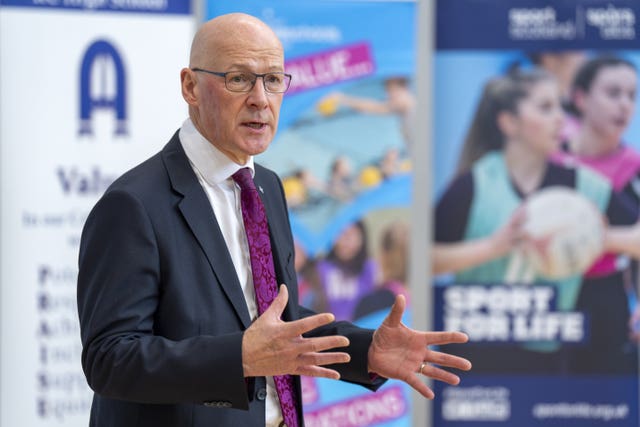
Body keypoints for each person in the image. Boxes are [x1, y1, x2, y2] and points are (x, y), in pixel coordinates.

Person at [76, 13, 471, 427]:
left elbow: (274, 320)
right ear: (190, 87)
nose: (261, 99)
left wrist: (365, 350)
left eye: (274, 80)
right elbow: (109, 359)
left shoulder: (265, 185)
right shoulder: (133, 204)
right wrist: (240, 358)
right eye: (239, 79)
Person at [433, 67, 640, 373]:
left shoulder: (583, 184)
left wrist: (599, 237)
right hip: (472, 356)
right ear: (509, 122)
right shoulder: (475, 183)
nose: (560, 118)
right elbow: (425, 257)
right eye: (546, 108)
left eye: (559, 106)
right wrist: (494, 246)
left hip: (546, 356)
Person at [553, 56, 640, 372]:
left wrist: (593, 238)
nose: (625, 105)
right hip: (549, 301)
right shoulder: (551, 158)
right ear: (581, 98)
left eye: (632, 95)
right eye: (613, 93)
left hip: (608, 300)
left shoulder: (635, 168)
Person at [316, 220, 377, 321]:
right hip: (329, 328)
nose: (345, 240)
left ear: (362, 239)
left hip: (361, 327)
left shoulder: (369, 268)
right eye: (341, 233)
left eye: (351, 235)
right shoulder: (322, 267)